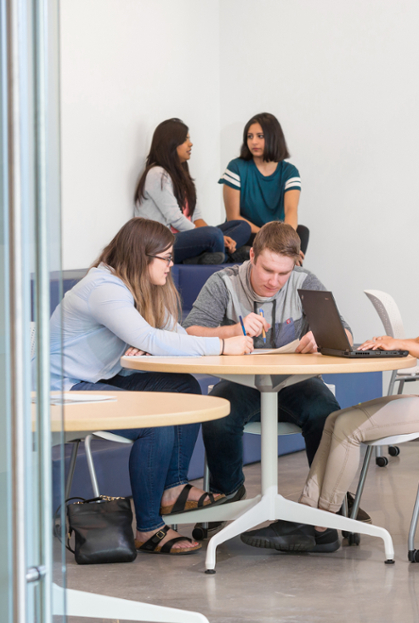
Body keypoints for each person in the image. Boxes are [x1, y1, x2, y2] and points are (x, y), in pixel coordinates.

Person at [239, 226, 419, 553]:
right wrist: (385, 344)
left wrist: (402, 345)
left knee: (350, 428)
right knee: (335, 420)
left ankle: (322, 523)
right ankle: (308, 516)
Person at [50, 217, 254, 555]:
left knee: (185, 388)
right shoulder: (104, 288)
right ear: (142, 256)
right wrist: (220, 346)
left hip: (97, 377)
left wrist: (221, 335)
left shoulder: (137, 288)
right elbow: (150, 338)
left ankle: (172, 488)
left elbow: (173, 336)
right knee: (154, 421)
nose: (172, 266)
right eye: (167, 258)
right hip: (63, 389)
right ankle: (148, 527)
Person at [182, 222, 348, 501]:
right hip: (241, 383)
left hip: (297, 383)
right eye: (267, 270)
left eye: (284, 273)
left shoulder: (304, 281)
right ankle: (228, 494)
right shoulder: (224, 282)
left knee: (328, 416)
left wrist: (323, 338)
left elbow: (344, 333)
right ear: (251, 257)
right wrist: (235, 330)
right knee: (217, 419)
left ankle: (328, 500)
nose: (274, 281)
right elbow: (191, 333)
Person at [134, 118, 250, 265]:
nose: (191, 144)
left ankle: (204, 256)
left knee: (241, 226)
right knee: (213, 234)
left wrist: (215, 236)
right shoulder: (157, 174)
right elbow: (175, 218)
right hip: (161, 244)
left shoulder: (183, 176)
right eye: (185, 140)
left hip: (185, 237)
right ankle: (227, 256)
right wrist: (215, 235)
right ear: (170, 143)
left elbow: (196, 217)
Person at [219, 113, 310, 262]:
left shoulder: (289, 172)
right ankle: (249, 252)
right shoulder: (236, 167)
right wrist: (269, 236)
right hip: (249, 234)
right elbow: (233, 217)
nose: (254, 141)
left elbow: (291, 210)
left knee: (302, 232)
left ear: (274, 138)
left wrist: (287, 239)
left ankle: (282, 264)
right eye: (250, 136)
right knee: (242, 232)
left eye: (260, 136)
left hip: (277, 235)